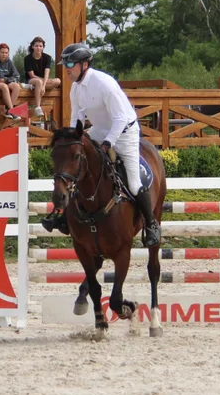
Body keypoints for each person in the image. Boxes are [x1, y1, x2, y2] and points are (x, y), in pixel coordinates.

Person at [45, 42, 160, 247]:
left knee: (133, 183)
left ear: (85, 64)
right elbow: (76, 120)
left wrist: (108, 143)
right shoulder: (76, 88)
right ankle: (63, 216)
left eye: (70, 63)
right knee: (78, 166)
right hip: (99, 130)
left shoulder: (105, 84)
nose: (67, 68)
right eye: (65, 64)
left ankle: (151, 224)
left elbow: (120, 119)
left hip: (124, 132)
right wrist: (74, 140)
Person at [23, 36, 61, 119]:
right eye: (36, 46)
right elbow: (32, 75)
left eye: (40, 46)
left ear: (43, 47)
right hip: (31, 80)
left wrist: (43, 86)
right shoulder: (28, 58)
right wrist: (43, 81)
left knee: (57, 81)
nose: (38, 48)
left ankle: (36, 88)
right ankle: (37, 107)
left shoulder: (47, 57)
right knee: (38, 82)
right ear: (32, 46)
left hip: (43, 81)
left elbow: (47, 72)